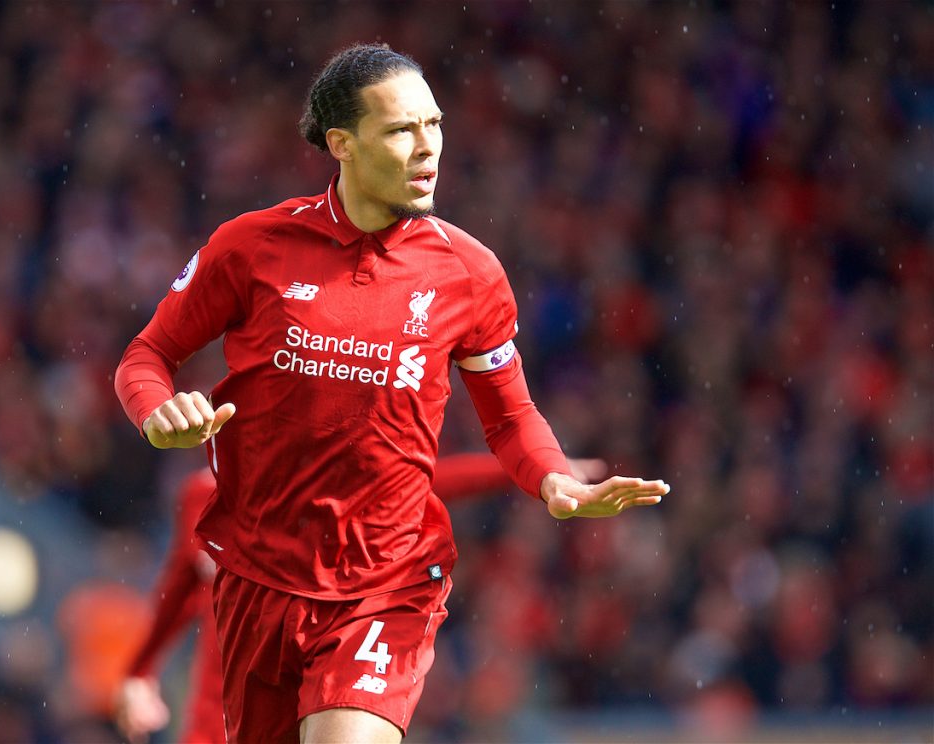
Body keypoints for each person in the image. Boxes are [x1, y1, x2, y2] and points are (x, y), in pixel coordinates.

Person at [114, 42, 669, 743]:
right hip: (258, 577)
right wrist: (155, 414)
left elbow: (511, 416)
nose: (426, 147)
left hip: (387, 580)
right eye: (401, 129)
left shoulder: (467, 272)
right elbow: (146, 355)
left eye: (433, 125)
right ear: (341, 143)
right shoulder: (251, 248)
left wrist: (554, 479)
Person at [115, 456, 607, 743]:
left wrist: (534, 472)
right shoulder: (200, 493)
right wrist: (139, 672)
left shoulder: (331, 489)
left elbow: (437, 481)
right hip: (218, 720)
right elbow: (179, 590)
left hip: (315, 704)